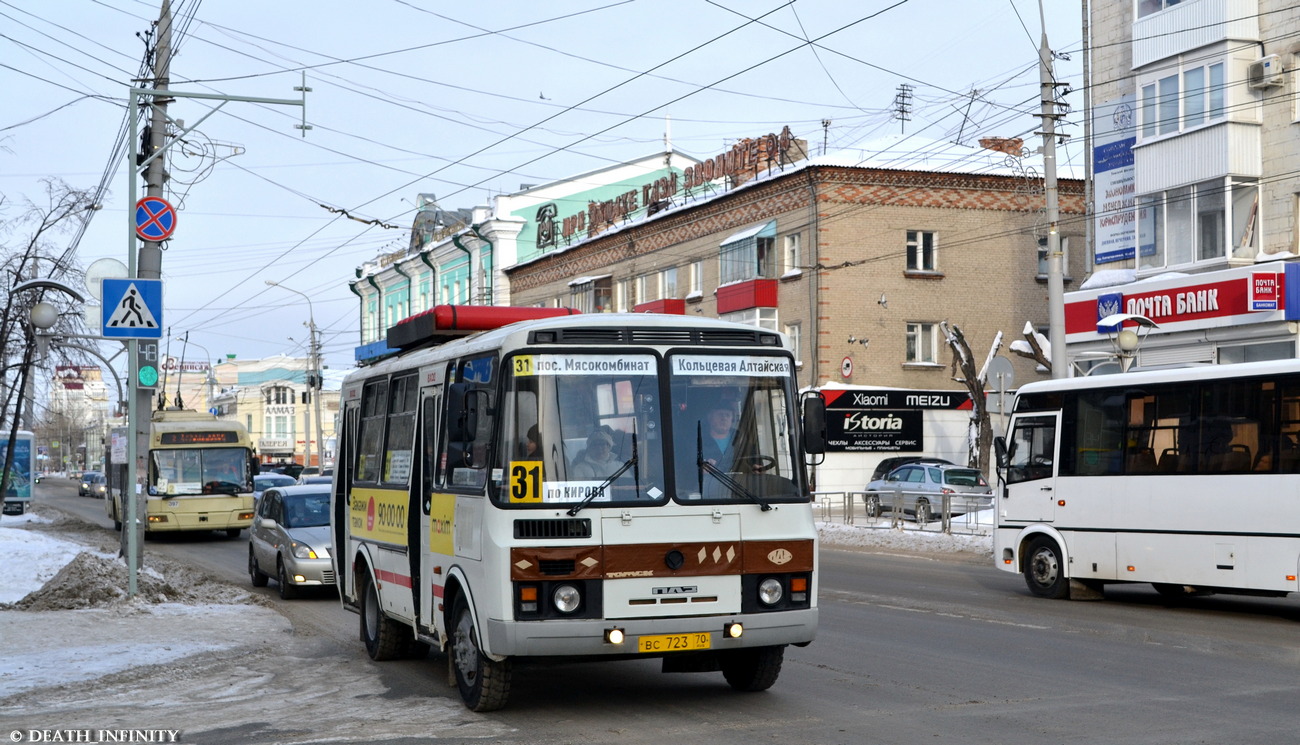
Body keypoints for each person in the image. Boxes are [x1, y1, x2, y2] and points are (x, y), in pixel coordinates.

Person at [700, 404, 739, 469]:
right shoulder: (699, 441)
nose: (724, 418)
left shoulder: (741, 438)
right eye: (720, 414)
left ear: (732, 420)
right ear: (710, 418)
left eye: (727, 415)